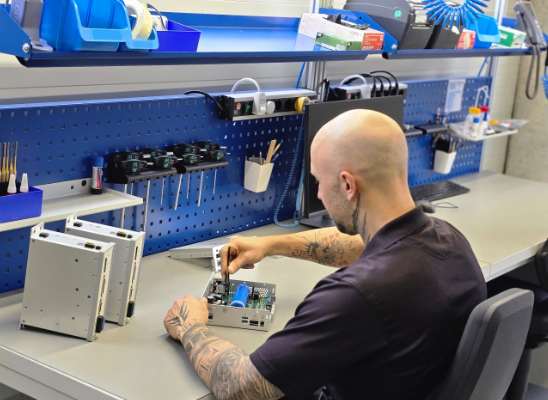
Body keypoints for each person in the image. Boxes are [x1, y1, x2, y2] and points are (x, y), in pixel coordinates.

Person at [164, 109, 487, 400]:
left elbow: (240, 387)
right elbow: (359, 245)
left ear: (348, 185)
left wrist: (190, 326)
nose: (318, 193)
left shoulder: (357, 294)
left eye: (318, 181)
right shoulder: (449, 240)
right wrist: (270, 245)